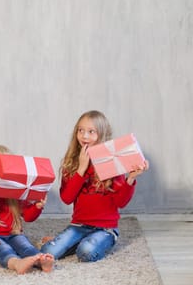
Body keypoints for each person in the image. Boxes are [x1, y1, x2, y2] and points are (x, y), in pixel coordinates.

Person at [40, 110, 149, 262]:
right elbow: (66, 198)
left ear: (101, 135)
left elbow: (121, 202)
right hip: (78, 225)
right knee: (47, 251)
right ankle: (72, 241)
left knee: (86, 253)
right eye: (81, 130)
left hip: (105, 228)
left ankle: (89, 242)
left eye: (91, 132)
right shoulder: (72, 162)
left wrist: (130, 178)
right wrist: (81, 169)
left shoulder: (112, 161)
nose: (84, 136)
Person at [0, 145, 55, 274]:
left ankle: (41, 260)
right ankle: (16, 263)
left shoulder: (14, 192)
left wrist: (37, 207)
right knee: (3, 249)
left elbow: (28, 217)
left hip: (13, 233)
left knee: (25, 245)